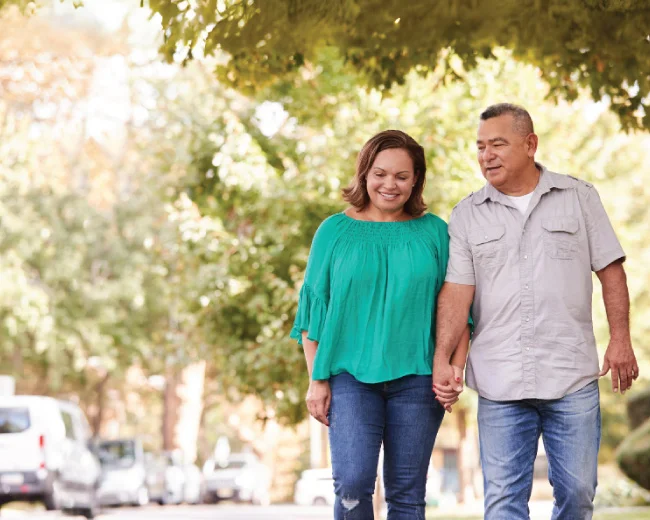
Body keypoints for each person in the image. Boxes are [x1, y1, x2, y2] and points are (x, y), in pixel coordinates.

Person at [433, 103, 639, 519]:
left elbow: (611, 272)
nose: (485, 155)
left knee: (578, 495)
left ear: (530, 144)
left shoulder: (578, 198)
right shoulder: (467, 214)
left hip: (571, 375)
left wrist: (620, 340)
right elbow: (457, 292)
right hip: (499, 381)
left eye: (497, 145)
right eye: (479, 147)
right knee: (504, 503)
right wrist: (443, 358)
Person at [290, 130, 469, 520]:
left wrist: (455, 368)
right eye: (380, 173)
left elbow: (456, 305)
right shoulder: (334, 231)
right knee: (352, 484)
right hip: (349, 378)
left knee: (407, 495)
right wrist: (316, 380)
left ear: (416, 179)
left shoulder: (436, 232)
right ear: (364, 174)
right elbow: (312, 311)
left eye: (402, 176)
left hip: (419, 379)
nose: (390, 184)